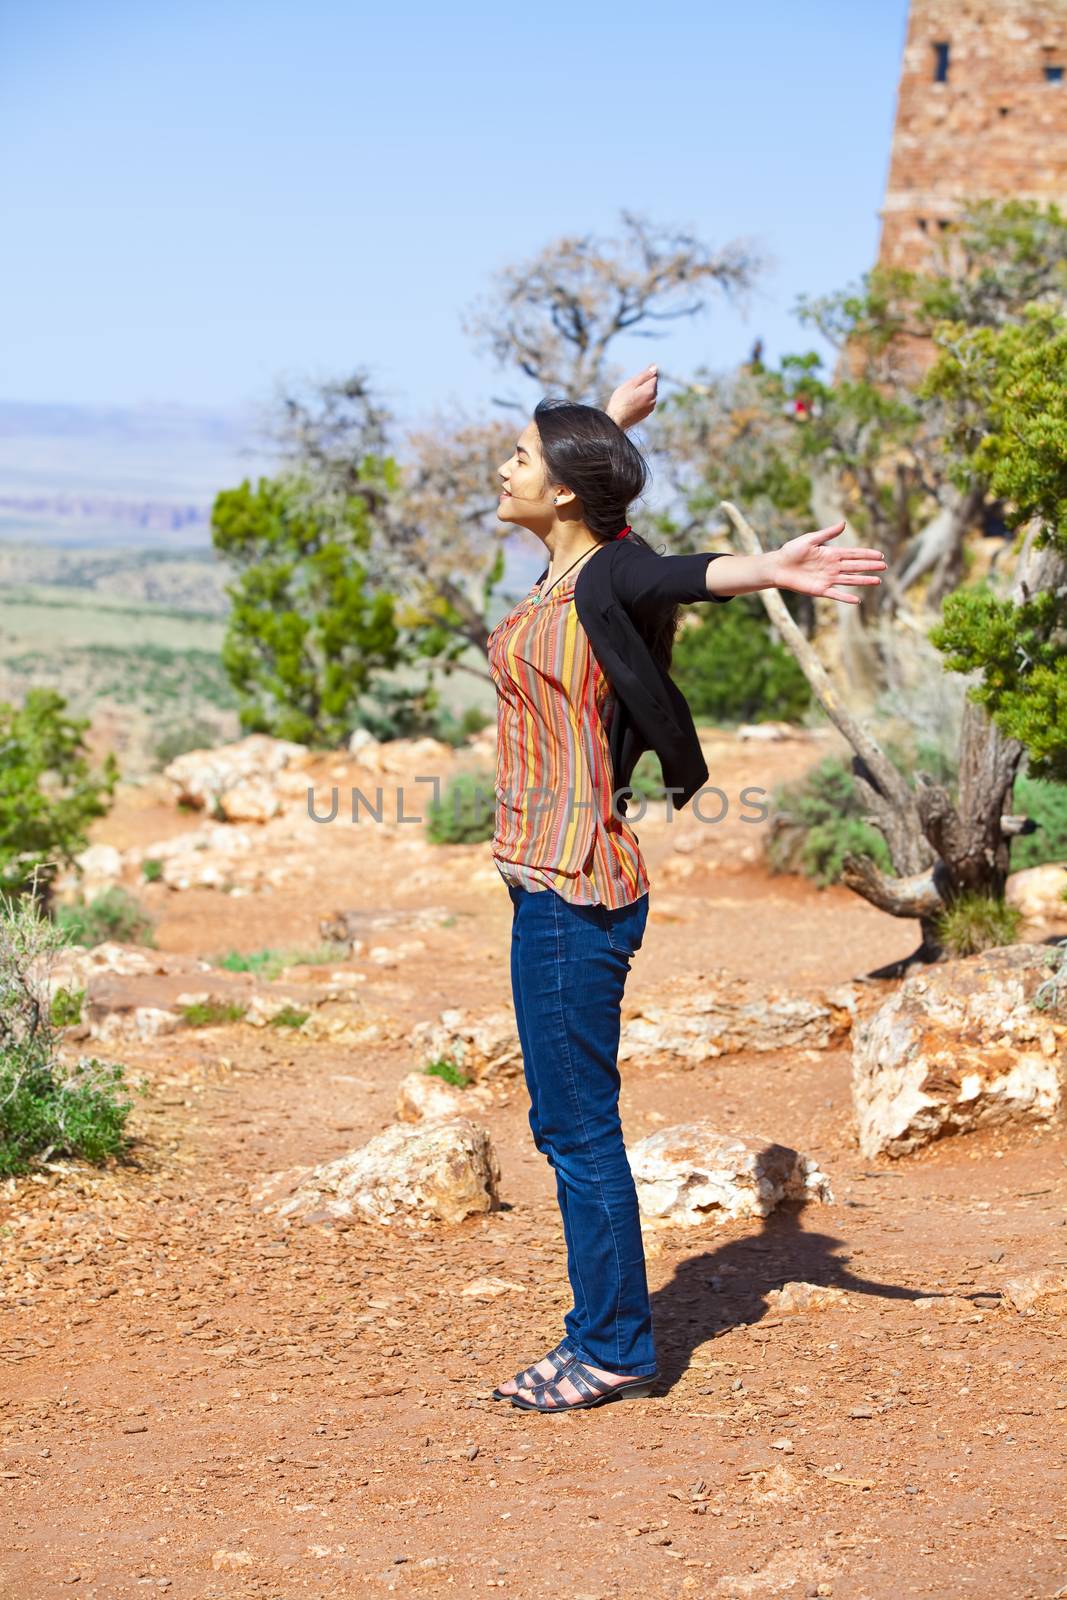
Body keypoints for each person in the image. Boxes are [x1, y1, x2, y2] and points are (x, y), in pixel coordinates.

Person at [486, 366, 886, 1412]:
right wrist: (603, 429)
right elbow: (600, 519)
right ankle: (604, 1330)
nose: (501, 466)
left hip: (578, 893)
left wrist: (768, 568)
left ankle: (612, 1345)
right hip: (543, 887)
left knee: (576, 1129)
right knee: (560, 1123)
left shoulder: (609, 580)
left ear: (564, 493)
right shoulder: (559, 565)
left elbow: (679, 576)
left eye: (520, 457)